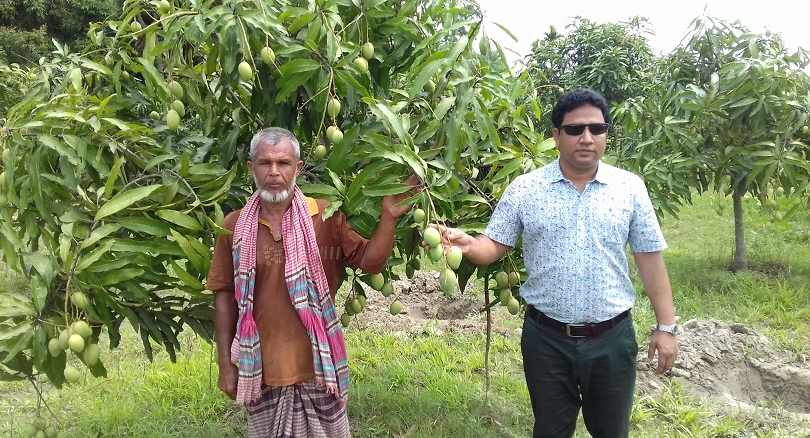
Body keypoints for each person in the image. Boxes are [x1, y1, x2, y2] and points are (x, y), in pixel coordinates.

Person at [428, 88, 679, 438]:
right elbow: (493, 245)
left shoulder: (629, 189)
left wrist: (665, 327)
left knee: (612, 432)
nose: (587, 138)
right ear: (557, 135)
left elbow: (650, 259)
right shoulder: (526, 188)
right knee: (550, 430)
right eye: (575, 129)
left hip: (612, 338)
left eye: (598, 129)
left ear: (607, 133)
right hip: (547, 339)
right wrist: (469, 244)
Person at [206, 126, 419, 437]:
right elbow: (224, 295)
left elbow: (370, 261)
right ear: (251, 168)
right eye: (265, 163)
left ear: (299, 168)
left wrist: (388, 218)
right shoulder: (235, 226)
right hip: (261, 368)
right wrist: (225, 364)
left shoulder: (326, 216)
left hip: (318, 369)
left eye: (284, 163)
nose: (274, 172)